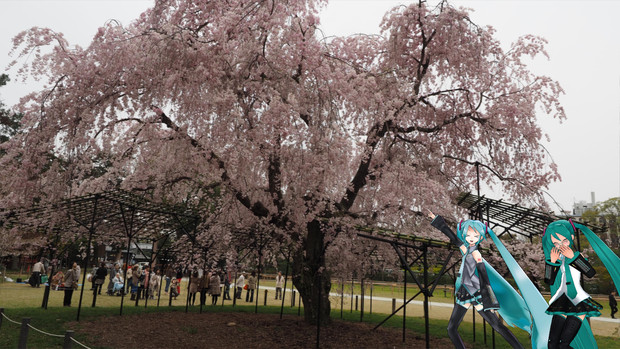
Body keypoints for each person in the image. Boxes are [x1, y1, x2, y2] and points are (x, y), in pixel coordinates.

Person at [428, 211, 524, 349]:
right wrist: (437, 220)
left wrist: (490, 302)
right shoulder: (464, 249)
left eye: (475, 235)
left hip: (476, 294)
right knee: (451, 328)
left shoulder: (476, 254)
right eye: (468, 235)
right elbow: (453, 238)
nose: (471, 238)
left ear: (480, 237)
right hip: (464, 293)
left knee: (496, 325)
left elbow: (484, 277)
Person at [541, 220, 617, 348]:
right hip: (561, 301)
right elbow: (549, 281)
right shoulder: (555, 259)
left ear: (571, 237)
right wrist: (552, 262)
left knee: (563, 344)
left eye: (564, 241)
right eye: (556, 243)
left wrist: (573, 257)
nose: (560, 245)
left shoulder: (577, 256)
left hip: (577, 300)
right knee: (552, 343)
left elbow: (590, 272)